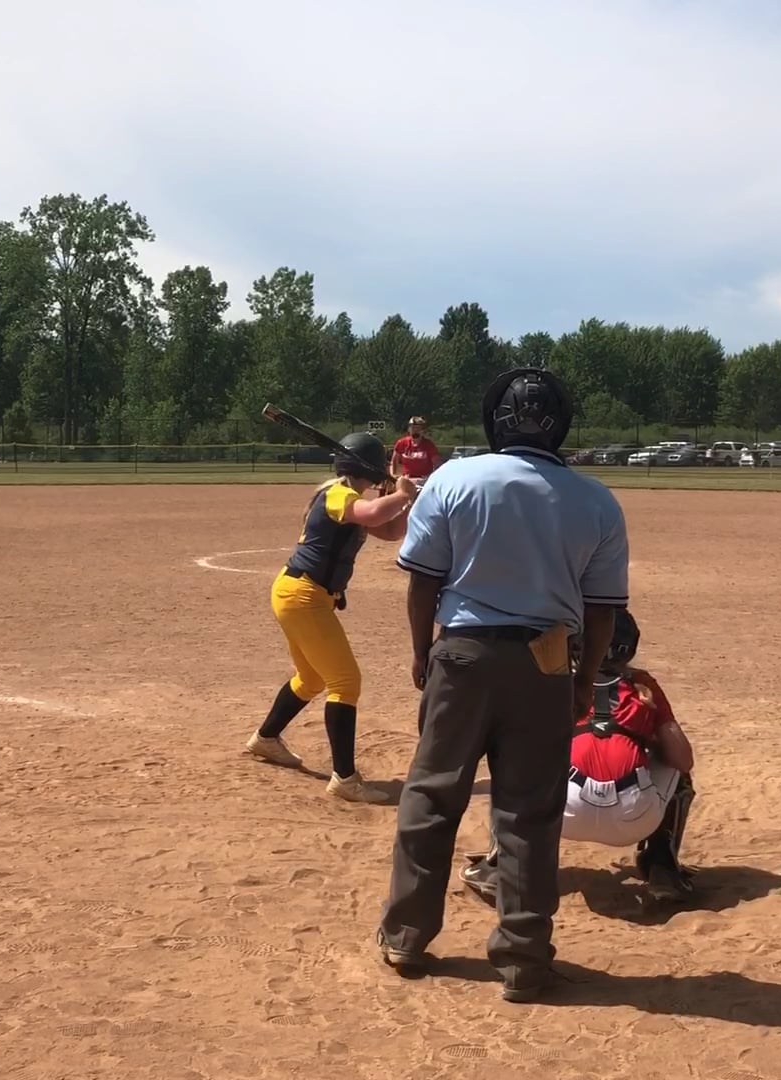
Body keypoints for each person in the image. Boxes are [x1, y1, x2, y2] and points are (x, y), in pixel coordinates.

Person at [375, 367, 630, 1004]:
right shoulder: (596, 500)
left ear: (495, 421)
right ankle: (523, 959)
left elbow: (424, 581)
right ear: (560, 424)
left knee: (432, 795)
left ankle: (406, 936)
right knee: (529, 810)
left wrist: (422, 655)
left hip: (462, 653)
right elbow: (603, 610)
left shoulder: (453, 479)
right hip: (547, 660)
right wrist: (584, 679)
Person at [459, 608, 699, 905]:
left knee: (512, 758)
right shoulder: (644, 687)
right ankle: (663, 868)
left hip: (565, 813)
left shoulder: (556, 679)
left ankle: (500, 866)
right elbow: (683, 759)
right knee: (677, 765)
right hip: (635, 816)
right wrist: (646, 739)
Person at [246, 433, 419, 804]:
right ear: (370, 467)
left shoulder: (349, 498)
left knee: (311, 679)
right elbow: (373, 514)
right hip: (303, 596)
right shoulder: (339, 494)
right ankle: (345, 778)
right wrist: (402, 494)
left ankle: (266, 738)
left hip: (302, 595)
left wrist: (406, 503)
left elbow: (390, 530)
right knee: (345, 681)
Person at [389, 416, 443, 487]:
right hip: (407, 478)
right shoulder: (401, 443)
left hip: (424, 479)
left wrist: (433, 479)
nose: (415, 431)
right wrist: (394, 476)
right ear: (409, 429)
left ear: (422, 430)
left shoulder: (429, 445)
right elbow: (394, 461)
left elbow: (437, 464)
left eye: (418, 428)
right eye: (413, 428)